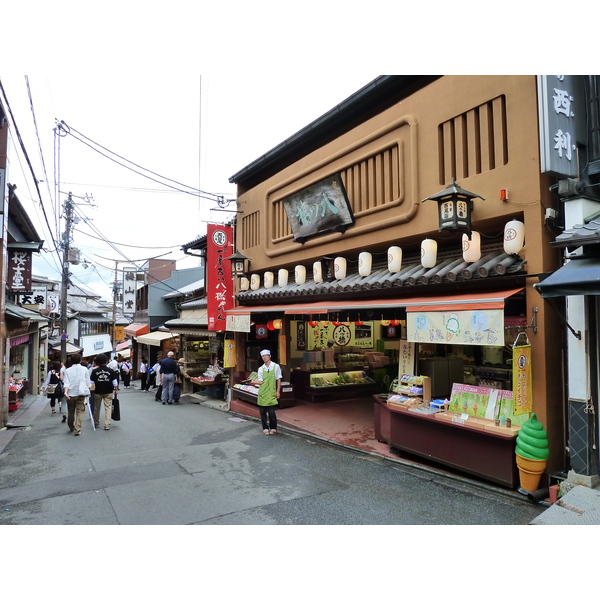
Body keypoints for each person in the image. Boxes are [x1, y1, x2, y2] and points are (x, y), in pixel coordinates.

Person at [250, 349, 282, 435]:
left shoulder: (276, 366)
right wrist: (252, 381)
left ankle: (273, 427)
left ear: (270, 356)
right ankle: (265, 428)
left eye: (266, 356)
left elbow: (278, 379)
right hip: (262, 393)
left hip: (271, 392)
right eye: (263, 356)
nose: (264, 357)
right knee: (262, 412)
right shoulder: (261, 369)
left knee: (272, 412)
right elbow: (261, 381)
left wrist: (278, 391)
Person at [62, 353, 92, 436]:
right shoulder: (84, 369)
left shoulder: (67, 370)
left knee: (71, 411)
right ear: (80, 360)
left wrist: (65, 392)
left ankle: (71, 426)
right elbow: (88, 382)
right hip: (81, 393)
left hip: (71, 394)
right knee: (80, 411)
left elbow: (66, 383)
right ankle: (77, 429)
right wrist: (88, 390)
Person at [90, 353, 119, 430]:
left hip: (97, 391)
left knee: (96, 408)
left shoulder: (94, 371)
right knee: (108, 408)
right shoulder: (111, 371)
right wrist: (116, 389)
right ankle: (107, 424)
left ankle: (96, 422)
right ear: (106, 361)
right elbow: (115, 382)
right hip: (108, 391)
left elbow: (91, 383)